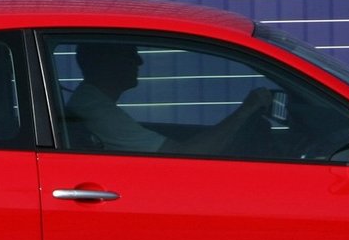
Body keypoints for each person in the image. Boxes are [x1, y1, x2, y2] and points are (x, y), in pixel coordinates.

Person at [65, 42, 271, 155]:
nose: (140, 61)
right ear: (106, 63)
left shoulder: (91, 103)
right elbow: (186, 155)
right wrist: (246, 110)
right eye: (130, 54)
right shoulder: (97, 112)